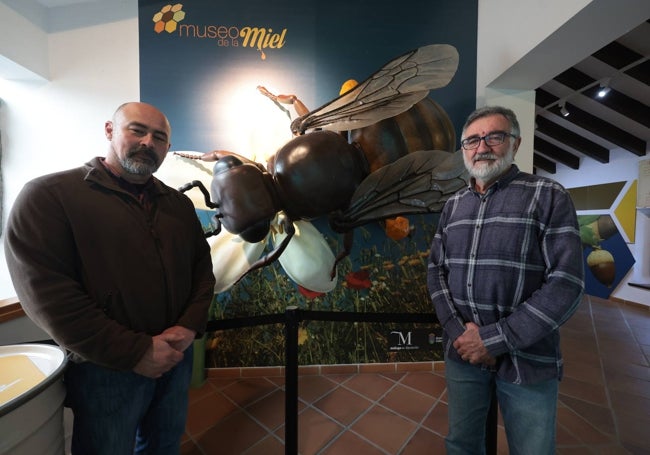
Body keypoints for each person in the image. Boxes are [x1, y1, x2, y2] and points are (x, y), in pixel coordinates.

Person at [4, 102, 216, 454]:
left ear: (167, 147)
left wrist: (189, 327)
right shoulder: (49, 196)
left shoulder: (178, 206)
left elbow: (202, 272)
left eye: (159, 136)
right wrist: (135, 351)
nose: (148, 141)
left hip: (175, 359)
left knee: (163, 444)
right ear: (109, 130)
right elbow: (48, 296)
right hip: (105, 369)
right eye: (137, 130)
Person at [427, 105, 584, 454]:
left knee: (532, 448)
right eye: (472, 140)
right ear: (464, 149)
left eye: (494, 137)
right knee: (462, 444)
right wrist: (462, 335)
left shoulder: (548, 195)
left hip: (528, 358)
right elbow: (436, 272)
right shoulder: (453, 206)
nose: (482, 147)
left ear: (515, 143)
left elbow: (567, 284)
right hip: (463, 354)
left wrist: (493, 340)